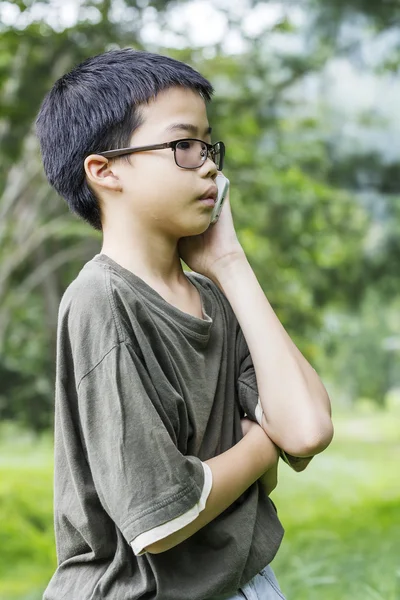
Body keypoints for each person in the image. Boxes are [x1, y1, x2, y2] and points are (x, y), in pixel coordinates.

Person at [36, 48, 334, 600]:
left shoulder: (215, 298)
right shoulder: (101, 300)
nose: (210, 164)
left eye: (208, 145)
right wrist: (262, 448)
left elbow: (309, 428)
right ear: (105, 171)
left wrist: (230, 265)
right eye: (183, 146)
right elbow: (162, 516)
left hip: (246, 584)